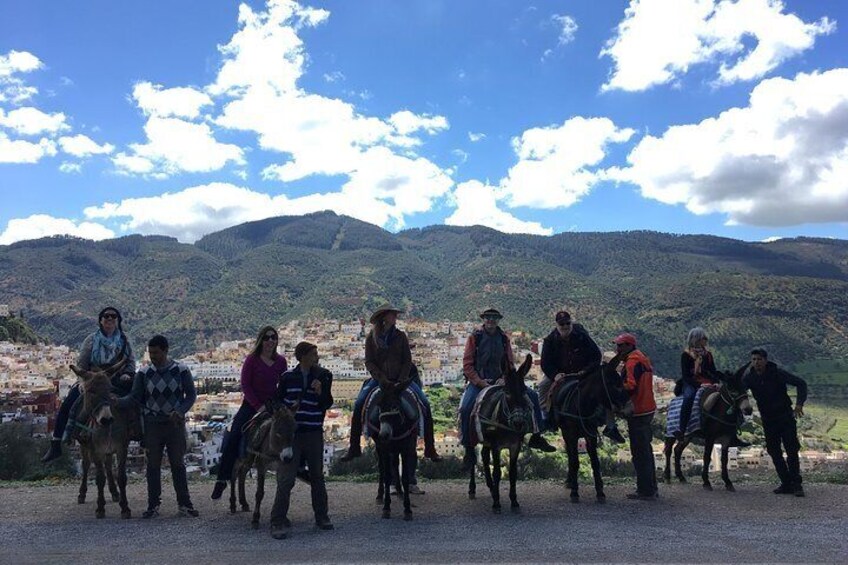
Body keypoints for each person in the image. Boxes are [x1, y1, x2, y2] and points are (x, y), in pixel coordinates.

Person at [339, 305, 441, 464]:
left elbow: (407, 360)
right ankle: (354, 446)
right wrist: (381, 378)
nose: (395, 317)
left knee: (425, 404)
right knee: (359, 404)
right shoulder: (371, 338)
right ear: (384, 317)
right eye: (392, 315)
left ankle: (430, 447)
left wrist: (401, 379)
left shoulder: (401, 336)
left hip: (401, 380)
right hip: (379, 381)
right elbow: (369, 362)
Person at [459, 308, 555, 470]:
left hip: (501, 380)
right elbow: (467, 365)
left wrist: (504, 378)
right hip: (479, 382)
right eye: (488, 318)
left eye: (494, 318)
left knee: (532, 396)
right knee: (465, 408)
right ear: (484, 319)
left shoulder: (504, 339)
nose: (491, 320)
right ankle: (468, 447)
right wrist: (480, 382)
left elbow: (509, 364)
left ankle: (537, 434)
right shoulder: (474, 338)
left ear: (498, 320)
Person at [42, 306, 136, 463]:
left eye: (114, 316)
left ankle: (141, 431)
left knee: (138, 397)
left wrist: (127, 374)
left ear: (118, 321)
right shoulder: (91, 340)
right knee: (67, 406)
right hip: (94, 380)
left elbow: (131, 363)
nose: (110, 319)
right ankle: (57, 443)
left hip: (117, 379)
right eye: (106, 316)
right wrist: (83, 381)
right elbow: (82, 364)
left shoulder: (125, 341)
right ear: (101, 320)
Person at [119, 335, 198, 518]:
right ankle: (153, 505)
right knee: (152, 466)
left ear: (166, 350)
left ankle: (184, 504)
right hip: (152, 425)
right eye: (150, 353)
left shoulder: (181, 370)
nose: (153, 356)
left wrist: (180, 411)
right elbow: (134, 397)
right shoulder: (144, 373)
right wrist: (117, 402)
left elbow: (191, 396)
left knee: (178, 464)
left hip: (174, 425)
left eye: (156, 352)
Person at [211, 325, 287, 500]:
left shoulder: (281, 362)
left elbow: (283, 385)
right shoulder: (251, 360)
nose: (270, 341)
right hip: (251, 405)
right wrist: (258, 406)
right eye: (267, 337)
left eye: (273, 338)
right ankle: (222, 479)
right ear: (261, 340)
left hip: (272, 404)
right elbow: (246, 385)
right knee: (235, 434)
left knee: (289, 428)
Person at [269, 342, 334, 539]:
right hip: (293, 435)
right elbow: (276, 401)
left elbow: (327, 403)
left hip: (313, 432)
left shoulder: (324, 375)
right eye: (314, 354)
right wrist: (288, 409)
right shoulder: (288, 378)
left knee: (317, 476)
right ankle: (277, 520)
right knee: (286, 478)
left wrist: (321, 392)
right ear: (303, 356)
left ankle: (322, 516)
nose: (317, 357)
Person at [539, 310, 625, 443]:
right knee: (543, 386)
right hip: (561, 375)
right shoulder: (550, 341)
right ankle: (546, 420)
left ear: (571, 323)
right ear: (557, 325)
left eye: (568, 323)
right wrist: (555, 375)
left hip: (583, 373)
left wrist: (586, 371)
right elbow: (545, 363)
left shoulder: (581, 336)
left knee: (604, 386)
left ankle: (611, 426)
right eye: (562, 324)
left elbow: (596, 355)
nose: (565, 326)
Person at [738, 348, 808, 497]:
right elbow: (739, 389)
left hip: (785, 417)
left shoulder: (777, 373)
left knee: (791, 450)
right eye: (754, 360)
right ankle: (786, 483)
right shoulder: (750, 378)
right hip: (768, 420)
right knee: (774, 452)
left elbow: (801, 383)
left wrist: (799, 404)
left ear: (765, 360)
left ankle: (797, 484)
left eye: (759, 359)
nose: (756, 362)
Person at [615, 332, 658, 501]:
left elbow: (631, 386)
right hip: (649, 408)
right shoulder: (643, 359)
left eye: (621, 345)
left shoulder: (632, 362)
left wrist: (617, 388)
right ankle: (651, 487)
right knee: (646, 450)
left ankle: (645, 490)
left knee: (639, 452)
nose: (617, 348)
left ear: (629, 346)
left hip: (638, 410)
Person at [676, 327, 719, 440]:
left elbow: (713, 371)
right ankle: (682, 429)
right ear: (697, 339)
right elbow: (686, 376)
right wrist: (699, 385)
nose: (706, 340)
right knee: (689, 397)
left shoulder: (708, 355)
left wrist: (716, 381)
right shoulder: (686, 355)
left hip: (707, 381)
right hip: (691, 383)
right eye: (704, 338)